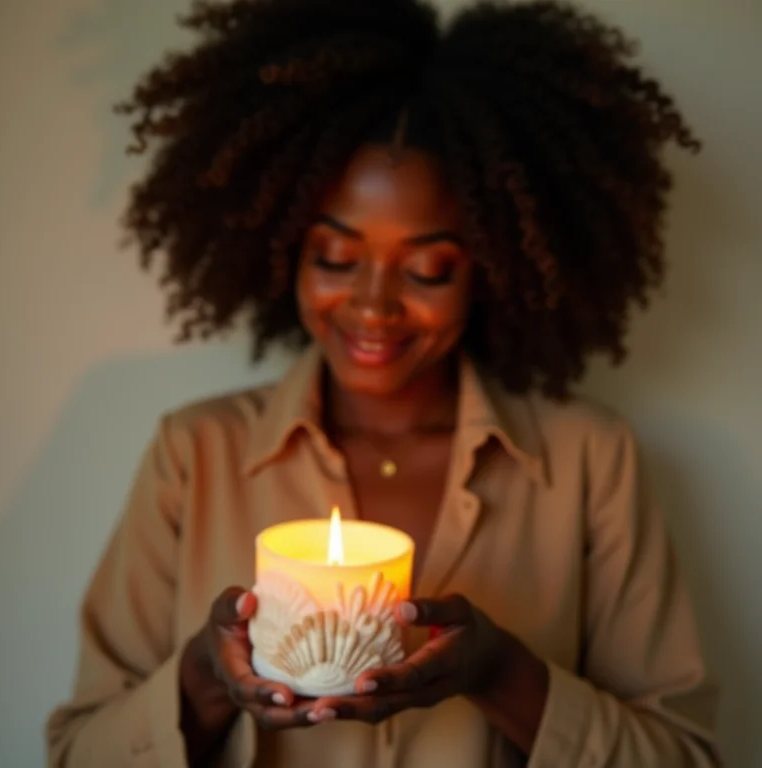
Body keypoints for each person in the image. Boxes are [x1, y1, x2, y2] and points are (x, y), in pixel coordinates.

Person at [46, 0, 721, 765]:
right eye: (335, 257)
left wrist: (502, 674)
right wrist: (205, 674)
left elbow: (685, 754)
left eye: (430, 268)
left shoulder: (588, 461)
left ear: (495, 267)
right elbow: (75, 753)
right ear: (284, 251)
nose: (372, 306)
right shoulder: (194, 454)